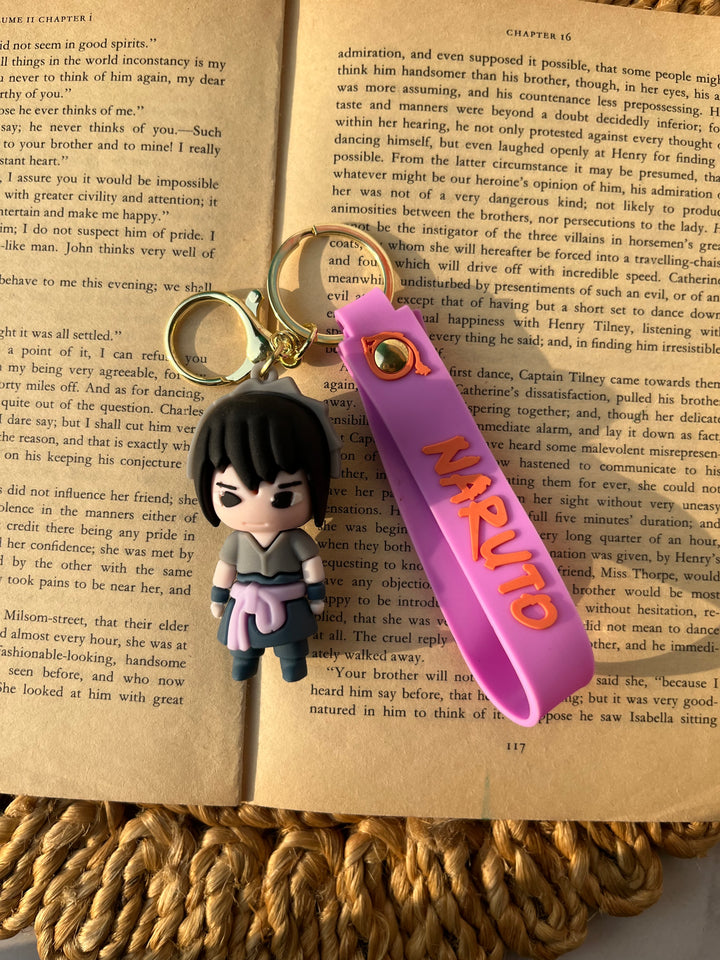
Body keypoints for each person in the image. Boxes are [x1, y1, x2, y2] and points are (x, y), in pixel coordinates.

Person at [188, 372, 341, 682]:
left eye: (283, 497)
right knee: (244, 648)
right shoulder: (236, 543)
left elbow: (312, 566)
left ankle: (292, 666)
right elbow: (225, 570)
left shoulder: (297, 540)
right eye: (230, 497)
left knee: (292, 646)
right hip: (244, 603)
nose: (256, 510)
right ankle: (244, 665)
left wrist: (316, 595)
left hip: (290, 601)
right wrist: (218, 596)